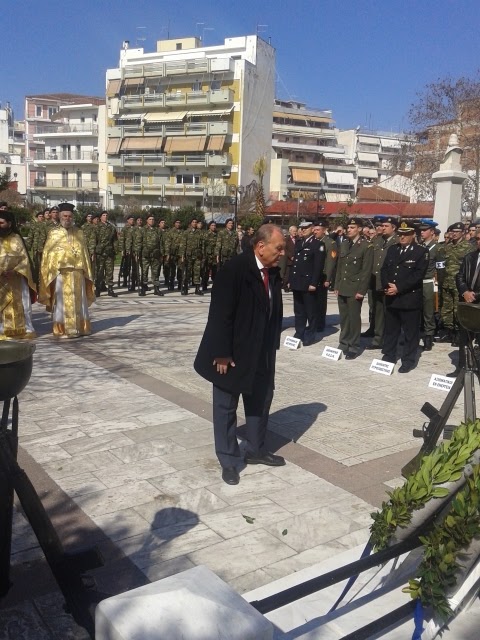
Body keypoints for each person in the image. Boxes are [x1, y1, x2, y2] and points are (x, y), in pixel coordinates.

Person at [194, 224, 286, 486]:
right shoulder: (234, 270)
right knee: (226, 407)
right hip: (231, 354)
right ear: (260, 246)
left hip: (262, 351)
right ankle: (229, 459)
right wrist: (221, 353)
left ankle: (256, 449)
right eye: (278, 248)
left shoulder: (271, 272)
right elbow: (220, 315)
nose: (282, 253)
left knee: (260, 400)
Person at [39, 203, 95, 338]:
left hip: (77, 272)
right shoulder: (53, 233)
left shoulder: (79, 232)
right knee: (61, 301)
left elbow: (84, 253)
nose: (67, 218)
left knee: (79, 300)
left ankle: (80, 327)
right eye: (65, 216)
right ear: (59, 216)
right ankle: (61, 328)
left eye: (70, 216)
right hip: (60, 273)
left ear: (73, 217)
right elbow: (48, 254)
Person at [380, 222, 429, 373]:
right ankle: (389, 356)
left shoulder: (421, 252)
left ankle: (408, 360)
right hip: (392, 297)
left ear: (413, 235)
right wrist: (387, 286)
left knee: (410, 332)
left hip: (409, 299)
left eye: (406, 234)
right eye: (401, 234)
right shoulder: (393, 249)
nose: (402, 237)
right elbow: (384, 269)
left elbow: (417, 275)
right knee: (391, 330)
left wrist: (399, 288)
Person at [334, 217, 373, 359]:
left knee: (354, 318)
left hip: (355, 287)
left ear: (360, 229)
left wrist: (361, 291)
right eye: (348, 228)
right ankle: (343, 342)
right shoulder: (344, 244)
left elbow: (366, 270)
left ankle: (353, 346)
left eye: (352, 228)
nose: (349, 230)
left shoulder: (366, 246)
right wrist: (337, 285)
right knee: (344, 317)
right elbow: (340, 266)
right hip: (343, 286)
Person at [364, 216, 399, 351]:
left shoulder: (397, 241)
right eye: (382, 226)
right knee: (378, 311)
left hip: (389, 283)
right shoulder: (377, 240)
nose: (382, 228)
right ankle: (378, 339)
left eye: (386, 226)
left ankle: (390, 339)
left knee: (390, 313)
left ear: (393, 228)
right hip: (375, 282)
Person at [0, 210, 36, 340]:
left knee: (20, 303)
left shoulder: (16, 238)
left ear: (9, 224)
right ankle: (2, 330)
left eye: (1, 223)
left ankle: (23, 329)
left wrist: (14, 271)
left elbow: (24, 259)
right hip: (1, 278)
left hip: (16, 277)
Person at [437, 222, 474, 346]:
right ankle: (449, 331)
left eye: (456, 232)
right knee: (446, 308)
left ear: (463, 233)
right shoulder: (446, 247)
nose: (453, 234)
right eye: (452, 232)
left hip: (459, 284)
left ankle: (459, 334)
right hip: (446, 282)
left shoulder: (469, 247)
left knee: (457, 308)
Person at [449, 229, 480, 376]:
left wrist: (475, 295)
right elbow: (459, 276)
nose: (479, 241)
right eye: (478, 238)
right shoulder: (470, 257)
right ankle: (462, 367)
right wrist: (465, 292)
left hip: (478, 302)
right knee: (465, 338)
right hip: (467, 304)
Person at [289, 220, 325, 346]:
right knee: (298, 310)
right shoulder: (299, 243)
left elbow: (318, 266)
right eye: (301, 228)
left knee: (311, 311)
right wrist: (290, 280)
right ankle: (299, 332)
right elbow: (295, 264)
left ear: (312, 229)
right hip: (297, 281)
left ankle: (310, 334)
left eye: (305, 228)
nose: (302, 230)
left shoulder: (318, 244)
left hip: (308, 283)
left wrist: (314, 283)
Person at [312, 220, 337, 332]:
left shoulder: (330, 243)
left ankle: (320, 323)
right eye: (314, 229)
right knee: (312, 301)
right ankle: (313, 322)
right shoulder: (314, 241)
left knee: (321, 301)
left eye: (318, 230)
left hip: (323, 275)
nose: (315, 232)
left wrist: (328, 278)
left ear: (324, 230)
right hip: (313, 275)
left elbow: (331, 261)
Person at [418, 220, 440, 351]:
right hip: (417, 282)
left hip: (429, 282)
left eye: (424, 230)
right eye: (421, 230)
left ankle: (428, 336)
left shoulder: (437, 248)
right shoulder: (419, 246)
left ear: (432, 232)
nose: (422, 232)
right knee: (416, 310)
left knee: (428, 311)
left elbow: (440, 269)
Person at [94, 211, 118, 297]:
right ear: (100, 217)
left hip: (109, 252)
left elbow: (114, 240)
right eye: (103, 215)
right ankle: (98, 289)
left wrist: (116, 250)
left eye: (106, 215)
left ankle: (110, 289)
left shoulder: (111, 227)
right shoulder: (96, 227)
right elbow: (94, 240)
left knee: (109, 271)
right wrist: (93, 251)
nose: (105, 217)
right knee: (99, 271)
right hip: (100, 253)